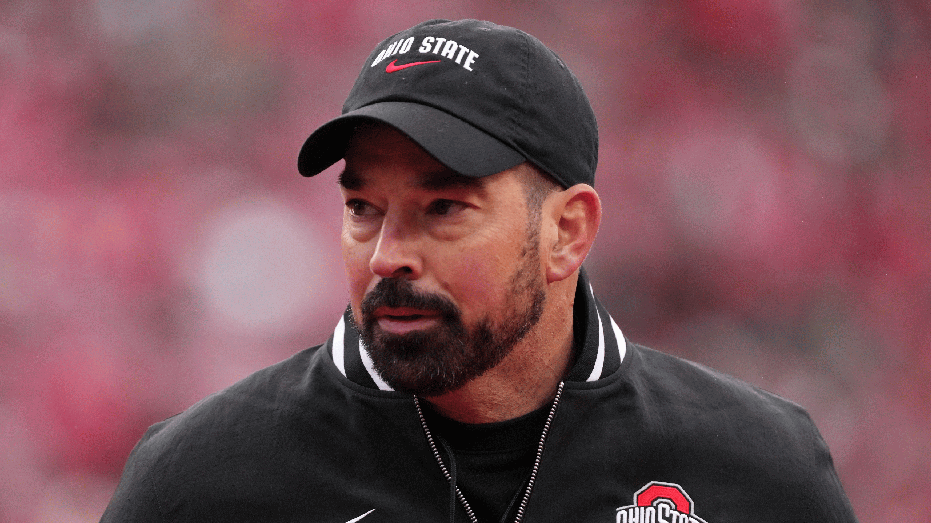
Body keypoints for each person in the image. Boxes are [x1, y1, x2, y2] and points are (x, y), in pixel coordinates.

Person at [101, 19, 859, 523]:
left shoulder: (756, 466)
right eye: (363, 206)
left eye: (442, 208)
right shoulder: (199, 482)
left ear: (567, 231)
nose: (386, 253)